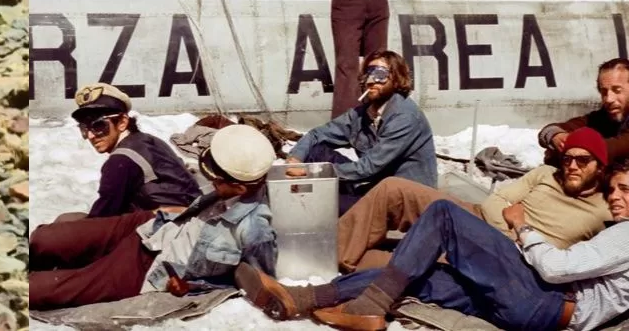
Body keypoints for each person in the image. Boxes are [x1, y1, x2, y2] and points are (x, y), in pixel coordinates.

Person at [234, 157, 629, 331]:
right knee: (422, 276)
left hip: (545, 299)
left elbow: (557, 268)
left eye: (626, 190)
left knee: (443, 214)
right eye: (613, 189)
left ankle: (367, 307)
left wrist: (523, 228)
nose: (615, 197)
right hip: (535, 314)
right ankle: (304, 298)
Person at [29, 125, 279, 310]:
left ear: (240, 187)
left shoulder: (255, 229)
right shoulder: (236, 182)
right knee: (44, 238)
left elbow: (253, 281)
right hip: (152, 226)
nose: (211, 180)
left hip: (148, 265)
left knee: (38, 289)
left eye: (217, 178)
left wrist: (193, 286)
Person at [335, 128, 612, 273]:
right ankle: (333, 256)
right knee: (393, 188)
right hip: (480, 217)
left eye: (583, 160)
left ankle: (351, 263)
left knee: (412, 263)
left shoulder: (607, 209)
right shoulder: (545, 174)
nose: (572, 166)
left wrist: (517, 238)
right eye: (568, 158)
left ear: (600, 167)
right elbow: (495, 202)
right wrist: (510, 231)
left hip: (506, 256)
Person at [284, 50, 436, 215]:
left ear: (397, 78)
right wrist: (295, 159)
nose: (370, 81)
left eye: (380, 74)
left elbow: (369, 167)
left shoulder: (405, 117)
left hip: (404, 201)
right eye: (367, 74)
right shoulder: (363, 114)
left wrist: (313, 172)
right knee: (316, 151)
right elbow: (317, 135)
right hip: (375, 186)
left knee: (324, 203)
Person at [60, 83, 200, 221]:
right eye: (85, 129)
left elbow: (101, 218)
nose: (91, 136)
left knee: (63, 223)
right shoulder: (148, 140)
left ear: (122, 122)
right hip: (187, 219)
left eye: (98, 126)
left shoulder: (121, 160)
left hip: (165, 228)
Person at [539, 57, 629, 166]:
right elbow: (548, 130)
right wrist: (557, 136)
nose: (609, 99)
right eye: (604, 92)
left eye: (617, 90)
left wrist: (569, 149)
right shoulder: (603, 117)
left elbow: (614, 148)